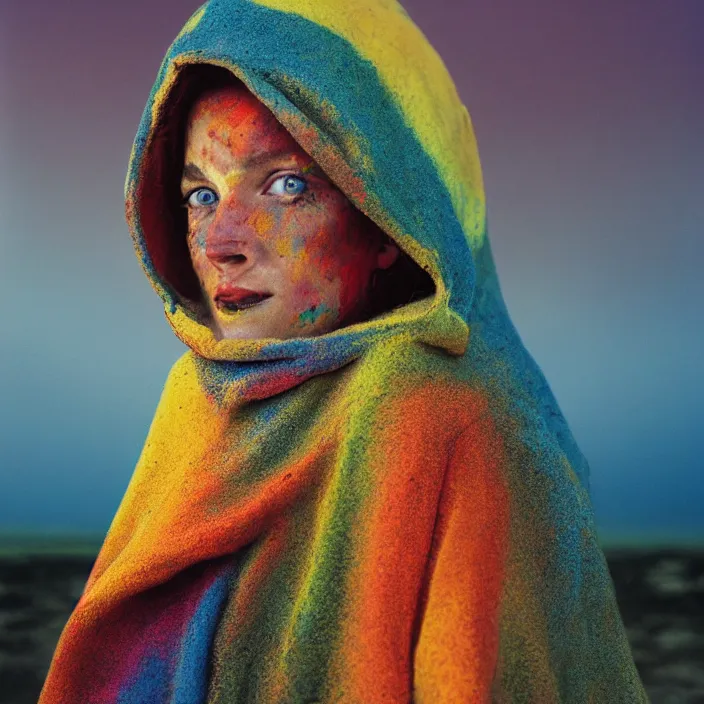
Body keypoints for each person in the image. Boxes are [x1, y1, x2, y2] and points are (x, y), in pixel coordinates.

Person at [39, 0, 649, 702]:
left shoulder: (446, 417)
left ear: (391, 216)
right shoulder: (196, 405)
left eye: (286, 185)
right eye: (201, 194)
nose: (219, 242)